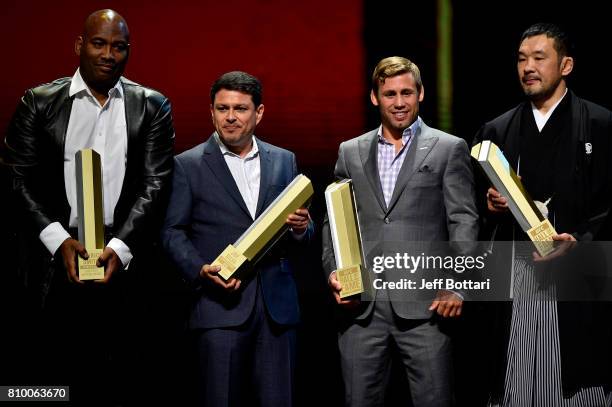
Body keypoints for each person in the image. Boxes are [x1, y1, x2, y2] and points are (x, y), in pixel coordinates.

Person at [3, 9, 175, 403]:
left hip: (124, 258)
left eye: (118, 47)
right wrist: (57, 239)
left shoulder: (151, 105)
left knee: (121, 378)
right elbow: (16, 178)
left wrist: (121, 246)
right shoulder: (39, 101)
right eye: (99, 43)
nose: (108, 54)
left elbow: (156, 182)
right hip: (54, 256)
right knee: (48, 381)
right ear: (80, 45)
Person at [322, 56, 479, 407]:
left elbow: (463, 222)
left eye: (406, 92)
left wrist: (459, 284)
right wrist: (334, 272)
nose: (399, 102)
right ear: (375, 97)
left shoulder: (448, 148)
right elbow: (334, 220)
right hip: (362, 308)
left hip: (426, 308)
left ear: (420, 94)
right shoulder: (350, 151)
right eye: (390, 93)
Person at [473, 23, 612, 406]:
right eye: (521, 59)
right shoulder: (497, 129)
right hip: (518, 270)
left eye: (539, 57)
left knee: (577, 380)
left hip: (581, 271)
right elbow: (473, 208)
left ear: (566, 65)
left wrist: (581, 241)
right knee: (515, 380)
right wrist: (489, 205)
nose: (528, 67)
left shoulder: (600, 125)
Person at [162, 71, 313, 406]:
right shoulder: (187, 165)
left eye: (240, 108)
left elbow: (304, 231)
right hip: (219, 308)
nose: (230, 117)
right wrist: (200, 269)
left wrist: (303, 228)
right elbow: (172, 232)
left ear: (258, 113)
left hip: (276, 309)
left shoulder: (284, 160)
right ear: (211, 112)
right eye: (222, 108)